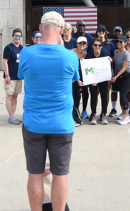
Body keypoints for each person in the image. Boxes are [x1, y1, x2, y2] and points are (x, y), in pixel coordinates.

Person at [18, 11, 79, 211]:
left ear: (41, 28)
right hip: (61, 124)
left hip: (34, 123)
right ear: (61, 31)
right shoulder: (70, 56)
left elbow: (23, 74)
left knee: (34, 173)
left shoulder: (27, 53)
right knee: (60, 174)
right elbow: (73, 79)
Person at [85, 36, 111, 125]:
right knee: (93, 96)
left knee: (104, 96)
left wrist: (109, 61)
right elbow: (87, 69)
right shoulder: (89, 56)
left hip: (103, 79)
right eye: (95, 45)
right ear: (92, 46)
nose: (97, 46)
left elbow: (108, 68)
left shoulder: (105, 55)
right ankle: (94, 115)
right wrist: (91, 80)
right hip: (93, 80)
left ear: (101, 46)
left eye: (99, 45)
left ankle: (104, 114)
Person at [110, 35, 130, 126]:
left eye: (121, 42)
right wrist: (115, 75)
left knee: (123, 95)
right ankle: (124, 115)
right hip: (120, 76)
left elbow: (124, 68)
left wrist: (116, 77)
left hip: (128, 76)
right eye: (117, 42)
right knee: (121, 95)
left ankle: (127, 116)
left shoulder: (126, 53)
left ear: (125, 43)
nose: (119, 43)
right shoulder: (116, 51)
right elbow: (116, 64)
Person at [3, 28, 25, 124]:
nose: (17, 38)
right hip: (10, 76)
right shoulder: (8, 48)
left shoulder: (22, 48)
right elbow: (5, 61)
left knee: (15, 96)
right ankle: (11, 116)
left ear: (21, 38)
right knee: (9, 96)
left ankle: (13, 115)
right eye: (15, 36)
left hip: (18, 76)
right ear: (12, 37)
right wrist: (7, 75)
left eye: (19, 36)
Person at [108, 26, 125, 117]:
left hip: (124, 71)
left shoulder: (124, 42)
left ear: (122, 33)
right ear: (113, 33)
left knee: (124, 92)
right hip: (114, 70)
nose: (117, 33)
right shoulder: (110, 43)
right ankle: (114, 109)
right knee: (114, 91)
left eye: (119, 31)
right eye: (116, 32)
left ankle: (126, 110)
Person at [71, 36, 88, 126]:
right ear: (77, 44)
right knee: (74, 95)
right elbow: (73, 67)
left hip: (81, 75)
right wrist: (76, 80)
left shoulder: (86, 54)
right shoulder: (72, 52)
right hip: (72, 77)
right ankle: (73, 115)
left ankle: (78, 112)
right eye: (80, 43)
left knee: (79, 95)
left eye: (84, 43)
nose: (82, 45)